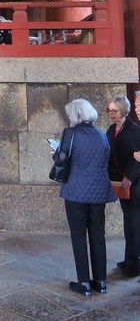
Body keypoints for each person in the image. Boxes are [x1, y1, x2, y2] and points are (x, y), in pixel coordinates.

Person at [56, 98, 116, 297]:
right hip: (99, 192)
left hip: (76, 192)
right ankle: (101, 281)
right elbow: (106, 159)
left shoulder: (70, 134)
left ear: (75, 115)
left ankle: (84, 282)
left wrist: (55, 152)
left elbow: (62, 157)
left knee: (79, 236)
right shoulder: (101, 134)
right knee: (98, 235)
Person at [107, 95, 140, 276]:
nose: (111, 114)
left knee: (134, 224)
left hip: (134, 184)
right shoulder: (112, 130)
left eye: (115, 111)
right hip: (120, 181)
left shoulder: (134, 130)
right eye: (109, 110)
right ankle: (130, 259)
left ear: (124, 111)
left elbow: (137, 159)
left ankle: (134, 264)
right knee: (129, 222)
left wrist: (129, 176)